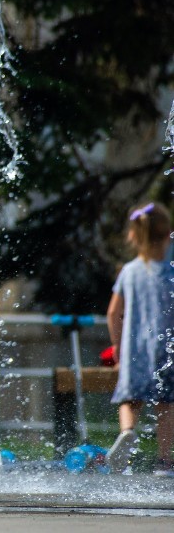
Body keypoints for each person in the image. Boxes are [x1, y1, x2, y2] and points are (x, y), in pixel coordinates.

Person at [105, 202, 174, 476]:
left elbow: (113, 312)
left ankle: (127, 431)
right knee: (165, 404)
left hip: (134, 348)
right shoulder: (171, 270)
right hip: (166, 349)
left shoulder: (129, 271)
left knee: (130, 398)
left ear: (135, 235)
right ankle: (164, 462)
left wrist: (118, 348)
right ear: (168, 233)